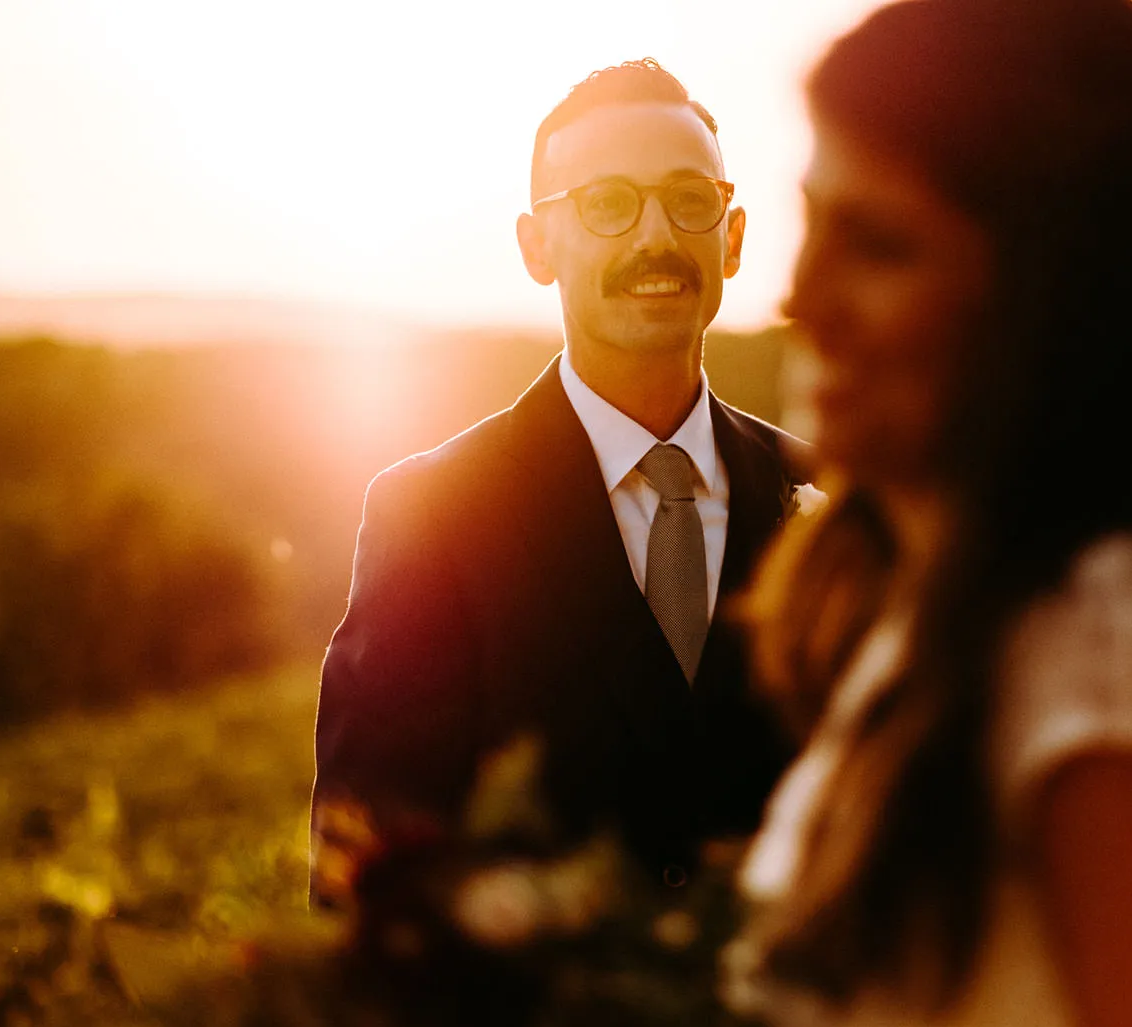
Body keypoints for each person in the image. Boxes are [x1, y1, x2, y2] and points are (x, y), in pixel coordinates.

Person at [729, 1, 1132, 1027]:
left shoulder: (1121, 650)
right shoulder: (938, 630)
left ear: (1051, 304)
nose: (800, 296)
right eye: (810, 224)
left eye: (879, 247)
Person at [311, 59, 806, 907]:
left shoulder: (832, 494)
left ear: (731, 236)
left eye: (689, 199)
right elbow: (366, 859)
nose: (656, 237)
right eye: (608, 204)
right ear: (537, 246)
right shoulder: (430, 514)